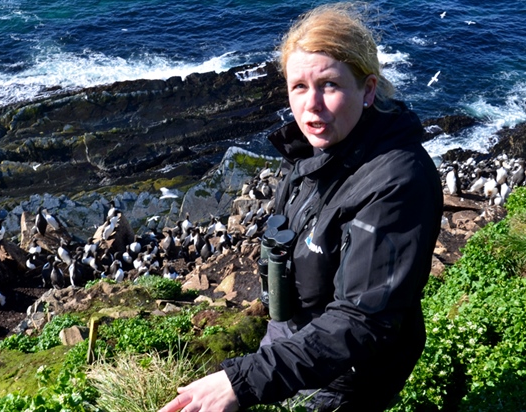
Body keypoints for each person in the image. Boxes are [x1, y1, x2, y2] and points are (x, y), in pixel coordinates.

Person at [159, 2, 443, 411]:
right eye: (299, 87)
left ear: (368, 89)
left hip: (347, 376)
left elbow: (361, 321)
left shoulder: (398, 180)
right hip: (294, 339)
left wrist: (243, 381)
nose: (311, 106)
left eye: (329, 85)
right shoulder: (313, 149)